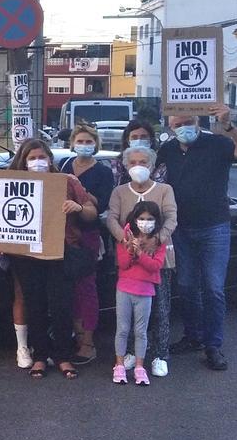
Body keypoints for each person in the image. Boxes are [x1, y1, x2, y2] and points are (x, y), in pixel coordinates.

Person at [159, 105, 237, 372]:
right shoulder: (167, 150)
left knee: (213, 288)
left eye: (187, 122)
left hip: (214, 227)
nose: (182, 128)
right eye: (177, 125)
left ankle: (213, 345)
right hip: (181, 228)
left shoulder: (218, 144)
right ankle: (193, 336)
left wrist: (228, 124)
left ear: (198, 121)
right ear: (170, 127)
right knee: (187, 285)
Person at [6, 139, 95, 380]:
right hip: (26, 254)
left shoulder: (68, 181)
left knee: (61, 305)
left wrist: (77, 207)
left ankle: (63, 356)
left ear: (50, 159)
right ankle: (39, 356)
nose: (37, 162)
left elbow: (91, 210)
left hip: (60, 251)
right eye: (32, 158)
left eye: (41, 157)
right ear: (23, 161)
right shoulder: (9, 183)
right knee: (34, 305)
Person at [106, 145, 177, 377]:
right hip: (128, 260)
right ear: (126, 166)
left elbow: (171, 219)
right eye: (133, 162)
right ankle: (128, 355)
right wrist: (124, 240)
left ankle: (159, 355)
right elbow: (112, 219)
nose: (139, 166)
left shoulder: (165, 189)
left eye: (144, 162)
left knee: (160, 308)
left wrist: (157, 240)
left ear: (153, 165)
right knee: (126, 315)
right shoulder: (119, 192)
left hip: (158, 258)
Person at [60, 124, 115, 365]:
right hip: (61, 235)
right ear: (72, 143)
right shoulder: (63, 166)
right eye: (80, 141)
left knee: (87, 288)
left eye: (88, 141)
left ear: (96, 144)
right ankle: (75, 333)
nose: (84, 145)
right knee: (67, 288)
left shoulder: (103, 172)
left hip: (87, 236)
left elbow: (101, 205)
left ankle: (88, 342)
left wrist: (80, 191)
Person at [112, 201, 167, 386]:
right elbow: (123, 264)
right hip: (124, 289)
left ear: (156, 221)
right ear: (135, 220)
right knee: (123, 329)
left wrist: (140, 254)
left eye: (150, 219)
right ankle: (119, 365)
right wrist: (130, 250)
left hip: (145, 291)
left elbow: (155, 266)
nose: (145, 222)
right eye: (141, 218)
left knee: (141, 331)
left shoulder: (158, 242)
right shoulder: (125, 238)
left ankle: (139, 367)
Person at [109, 119, 168, 185]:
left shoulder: (160, 165)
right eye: (134, 137)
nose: (139, 140)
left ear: (151, 140)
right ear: (128, 141)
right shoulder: (118, 165)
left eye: (143, 137)